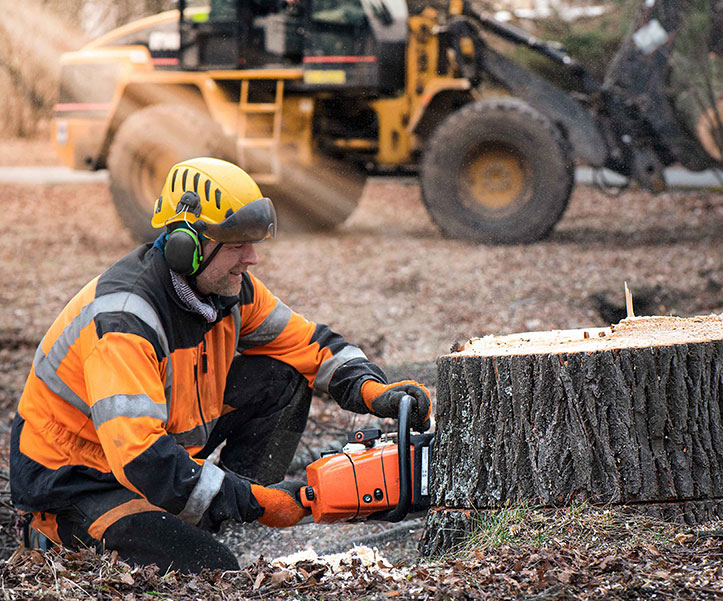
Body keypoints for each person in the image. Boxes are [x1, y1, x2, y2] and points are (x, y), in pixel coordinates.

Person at [8, 157, 431, 573]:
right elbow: (144, 460)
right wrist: (258, 503)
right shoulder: (125, 322)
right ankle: (51, 535)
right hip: (78, 481)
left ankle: (223, 520)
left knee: (282, 378)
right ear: (186, 246)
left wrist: (370, 390)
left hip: (152, 456)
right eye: (236, 245)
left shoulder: (228, 290)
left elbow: (308, 344)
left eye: (253, 243)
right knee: (214, 568)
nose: (252, 258)